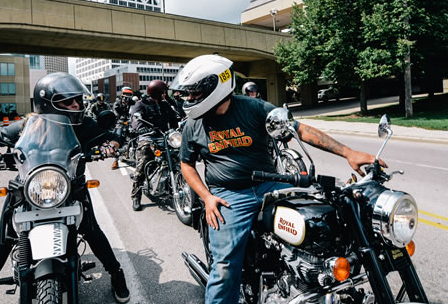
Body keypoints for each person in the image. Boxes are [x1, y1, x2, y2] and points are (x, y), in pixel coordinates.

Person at [173, 55, 387, 304]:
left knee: (321, 225)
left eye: (194, 94)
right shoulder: (194, 124)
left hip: (272, 185)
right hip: (230, 195)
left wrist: (348, 152)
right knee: (225, 268)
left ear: (215, 86)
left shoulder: (254, 108)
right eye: (188, 95)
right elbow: (186, 164)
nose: (190, 99)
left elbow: (299, 130)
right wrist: (207, 197)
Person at [0, 72, 130, 304]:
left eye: (77, 100)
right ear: (47, 103)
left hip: (69, 188)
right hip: (29, 189)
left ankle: (117, 275)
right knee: (2, 241)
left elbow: (113, 137)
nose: (76, 105)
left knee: (92, 231)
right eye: (68, 101)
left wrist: (109, 147)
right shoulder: (26, 126)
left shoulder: (82, 124)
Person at [129, 79, 179, 211]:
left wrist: (178, 126)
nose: (165, 94)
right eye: (163, 92)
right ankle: (136, 196)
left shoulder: (165, 104)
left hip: (164, 136)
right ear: (157, 92)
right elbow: (135, 119)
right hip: (148, 136)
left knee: (178, 155)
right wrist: (140, 127)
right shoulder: (141, 104)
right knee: (143, 161)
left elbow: (175, 117)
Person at [111, 87, 134, 169]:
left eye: (129, 94)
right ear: (122, 95)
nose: (127, 96)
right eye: (126, 94)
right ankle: (115, 161)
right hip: (120, 123)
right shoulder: (117, 103)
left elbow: (136, 110)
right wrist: (122, 118)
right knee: (118, 139)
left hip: (131, 123)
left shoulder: (132, 102)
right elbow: (116, 113)